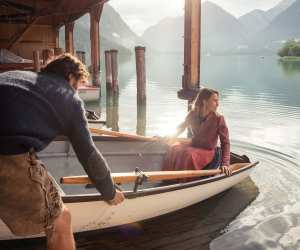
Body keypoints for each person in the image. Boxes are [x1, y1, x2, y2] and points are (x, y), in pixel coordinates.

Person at [0, 53, 125, 250]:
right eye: (77, 85)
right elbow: (88, 154)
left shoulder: (19, 77)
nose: (76, 91)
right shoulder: (69, 97)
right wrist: (109, 191)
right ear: (70, 77)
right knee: (61, 220)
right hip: (6, 154)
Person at [162, 87, 232, 176]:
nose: (218, 104)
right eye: (214, 101)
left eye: (218, 101)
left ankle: (183, 181)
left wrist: (225, 164)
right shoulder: (193, 114)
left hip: (210, 152)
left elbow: (225, 143)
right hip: (194, 146)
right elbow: (181, 127)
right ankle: (170, 178)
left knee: (189, 154)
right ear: (204, 101)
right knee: (174, 148)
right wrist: (170, 136)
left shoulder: (219, 118)